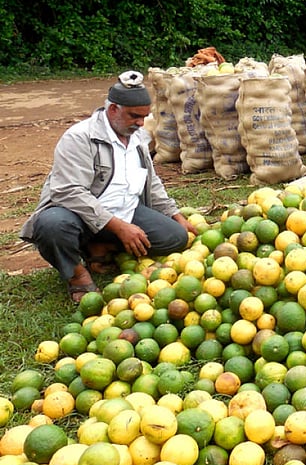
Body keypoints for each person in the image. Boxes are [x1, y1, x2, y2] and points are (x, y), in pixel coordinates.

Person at [20, 71, 196, 302]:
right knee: (52, 225)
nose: (141, 123)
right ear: (113, 109)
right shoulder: (79, 137)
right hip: (80, 215)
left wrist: (174, 214)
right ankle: (77, 276)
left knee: (174, 238)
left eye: (144, 117)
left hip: (125, 210)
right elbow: (67, 191)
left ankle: (99, 245)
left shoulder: (137, 138)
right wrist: (118, 227)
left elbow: (151, 182)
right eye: (134, 116)